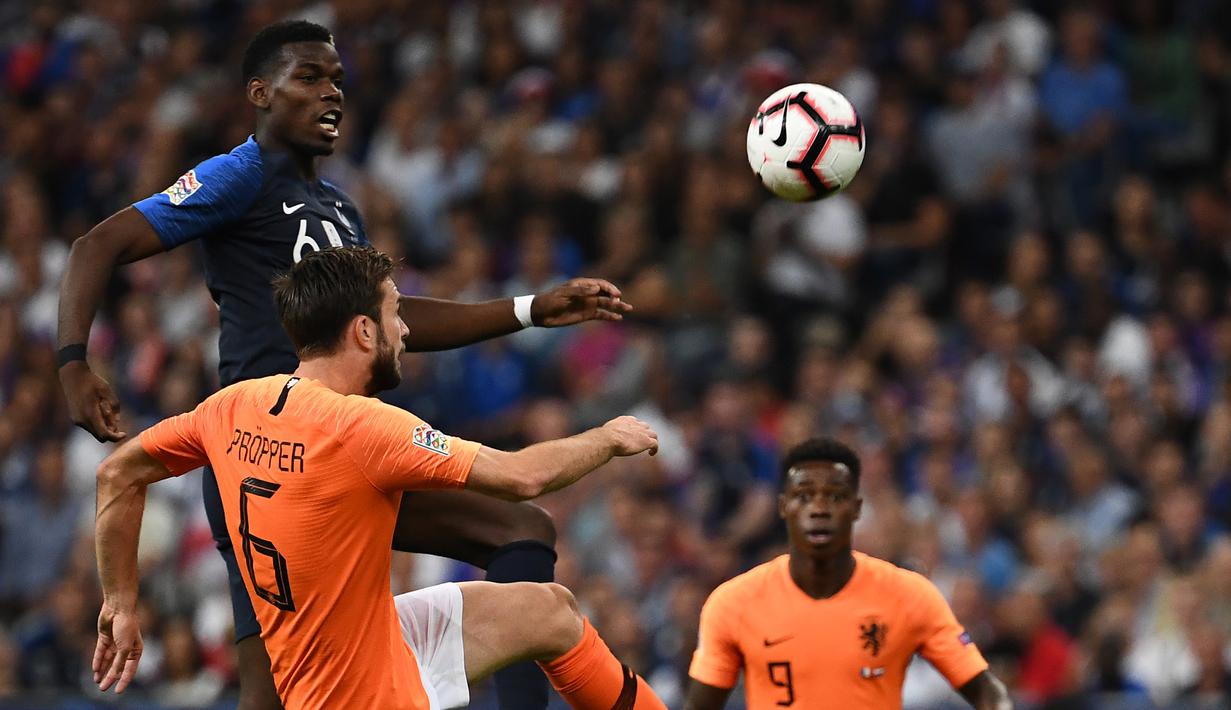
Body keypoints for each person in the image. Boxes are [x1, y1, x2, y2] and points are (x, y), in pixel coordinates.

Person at [57, 20, 628, 710]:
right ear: (260, 93)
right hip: (262, 449)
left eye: (337, 81)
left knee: (521, 531)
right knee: (274, 695)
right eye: (309, 78)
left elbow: (394, 321)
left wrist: (532, 308)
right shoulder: (241, 174)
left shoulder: (337, 208)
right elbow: (97, 244)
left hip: (338, 446)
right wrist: (72, 364)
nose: (331, 93)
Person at [92, 247, 667, 710]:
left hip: (341, 650)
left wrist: (120, 600)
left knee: (550, 611)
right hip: (364, 694)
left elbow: (118, 472)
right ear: (365, 332)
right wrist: (609, 436)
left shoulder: (233, 406)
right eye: (396, 313)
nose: (407, 332)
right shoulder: (361, 429)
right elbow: (521, 478)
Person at [685, 438, 1014, 710]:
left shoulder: (909, 595)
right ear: (784, 506)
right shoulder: (733, 603)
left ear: (856, 507)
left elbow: (988, 693)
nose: (819, 509)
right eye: (804, 496)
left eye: (835, 497)